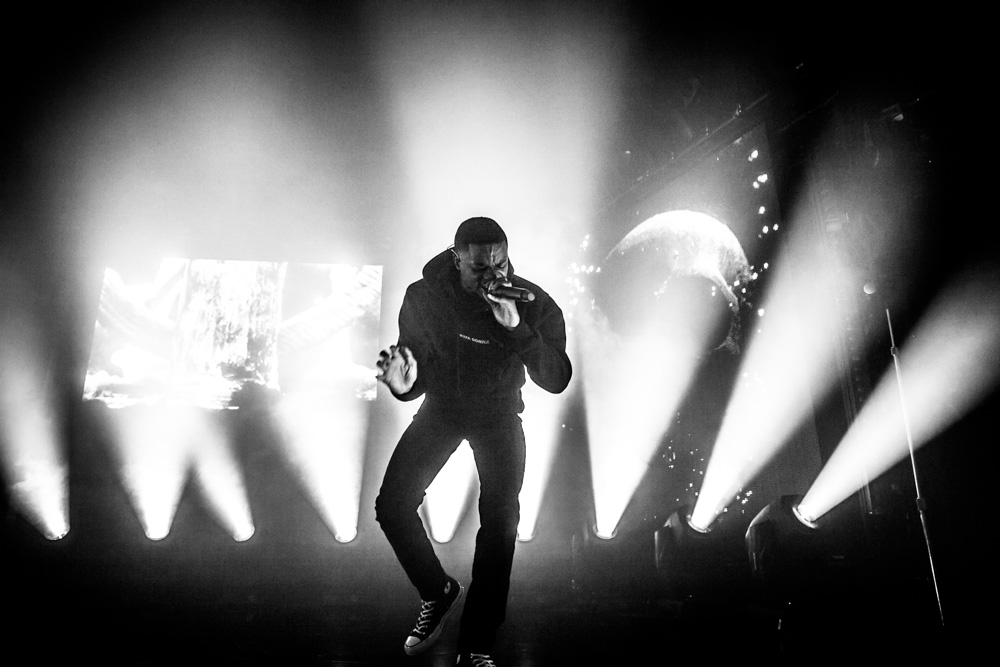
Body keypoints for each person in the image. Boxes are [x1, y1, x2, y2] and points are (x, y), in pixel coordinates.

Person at [374, 217, 572, 667]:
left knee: (501, 524)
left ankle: (477, 644)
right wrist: (403, 384)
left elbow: (557, 379)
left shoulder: (533, 302)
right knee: (392, 505)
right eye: (480, 267)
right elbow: (415, 372)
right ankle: (437, 591)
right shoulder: (424, 297)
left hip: (499, 415)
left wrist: (517, 327)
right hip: (442, 409)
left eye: (500, 264)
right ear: (456, 258)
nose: (494, 277)